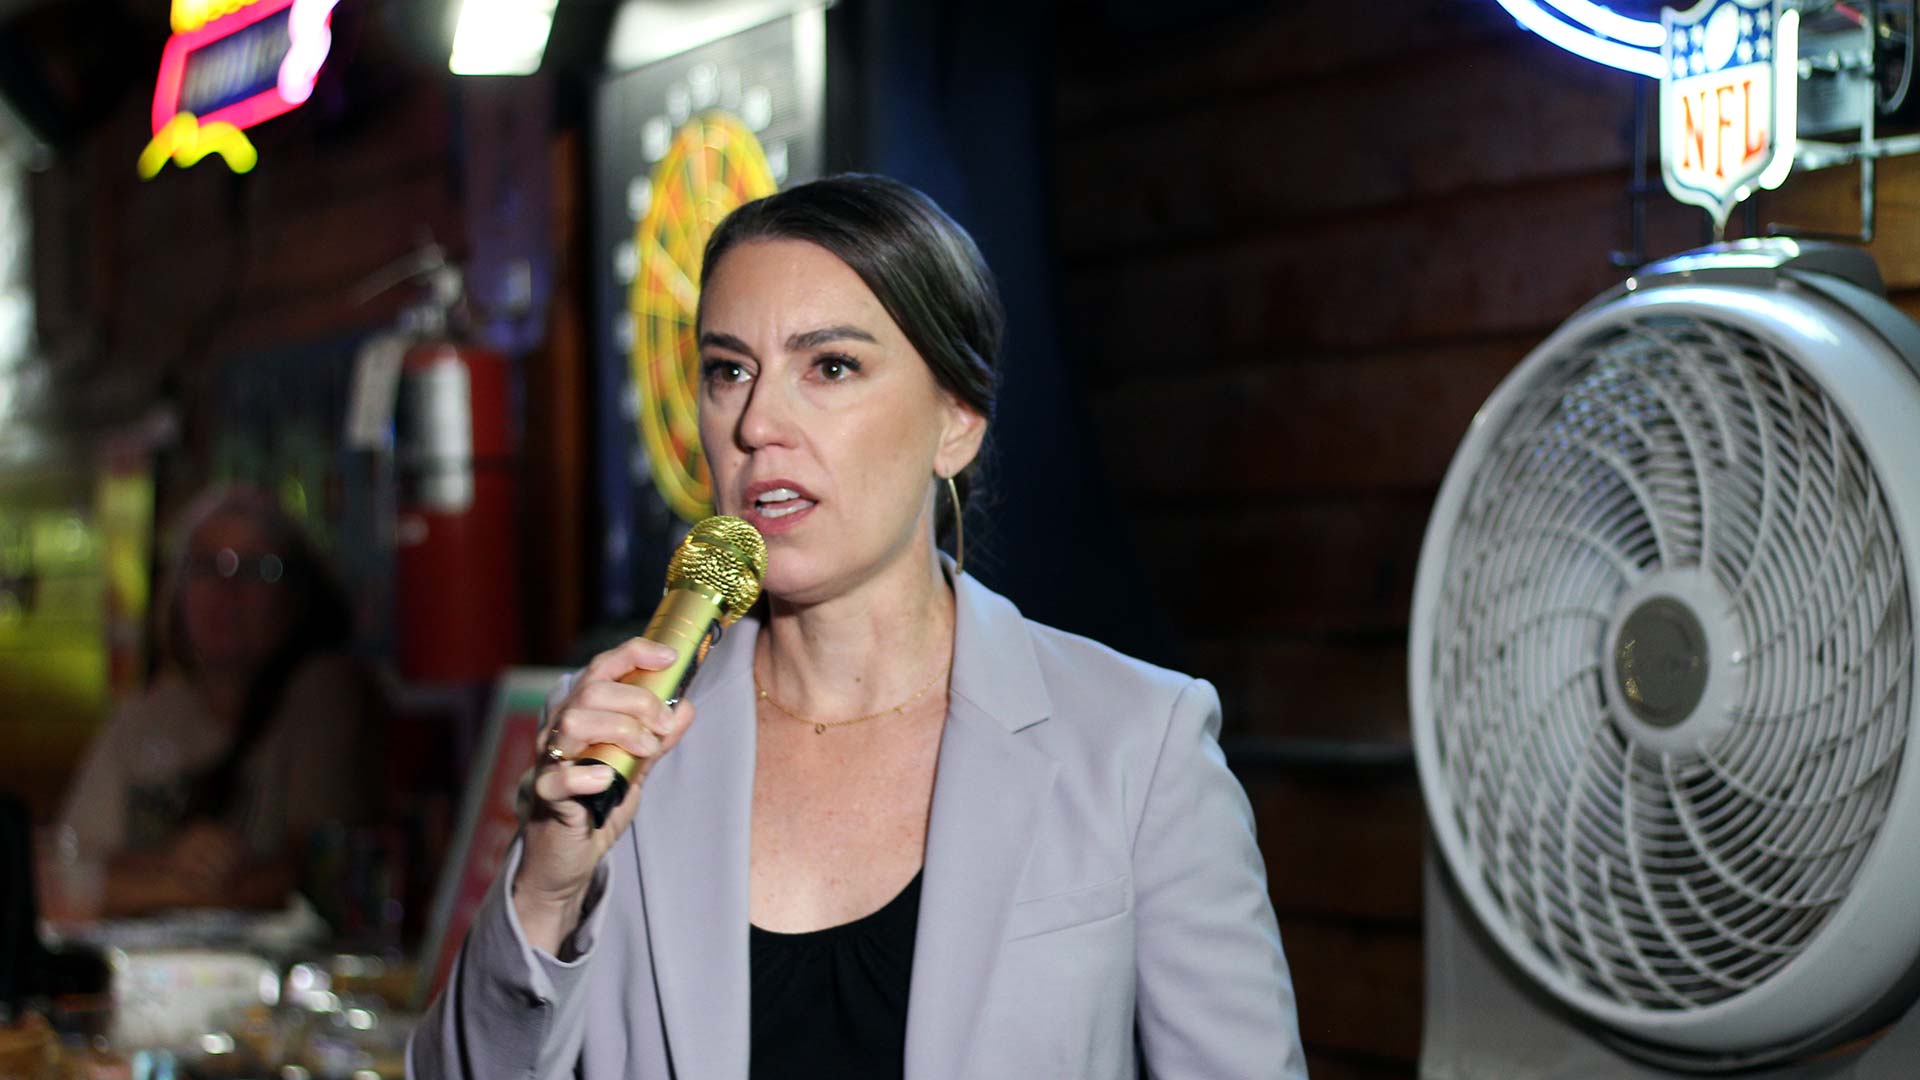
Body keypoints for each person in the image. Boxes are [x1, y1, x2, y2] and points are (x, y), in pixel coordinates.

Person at [412, 175, 1306, 1078]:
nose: (759, 422)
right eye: (729, 371)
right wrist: (545, 889)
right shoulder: (620, 736)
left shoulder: (1134, 742)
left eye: (830, 367)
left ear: (955, 424)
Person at [57, 486, 382, 916]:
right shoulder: (145, 717)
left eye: (256, 570)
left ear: (296, 595)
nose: (226, 591)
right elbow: (63, 874)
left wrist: (140, 888)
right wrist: (170, 864)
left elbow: (315, 877)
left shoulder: (326, 694)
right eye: (206, 567)